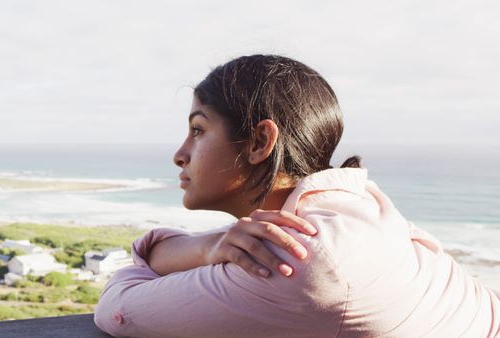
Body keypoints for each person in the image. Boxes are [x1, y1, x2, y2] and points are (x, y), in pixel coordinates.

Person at [94, 55, 500, 337]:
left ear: (259, 141)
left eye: (198, 130)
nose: (180, 154)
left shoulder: (296, 262)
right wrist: (207, 247)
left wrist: (191, 252)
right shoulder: (360, 207)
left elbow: (119, 308)